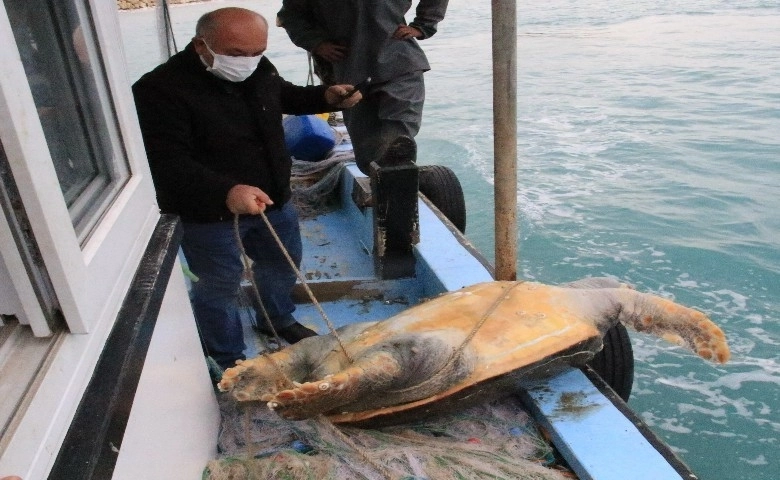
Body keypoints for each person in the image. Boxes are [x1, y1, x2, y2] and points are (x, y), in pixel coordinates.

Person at [132, 7, 361, 369]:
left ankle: (277, 319)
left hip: (273, 197)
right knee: (218, 284)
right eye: (237, 54)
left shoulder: (258, 66)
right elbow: (166, 161)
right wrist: (227, 191)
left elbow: (282, 94)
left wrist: (325, 98)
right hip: (206, 212)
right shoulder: (156, 90)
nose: (249, 61)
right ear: (200, 45)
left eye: (258, 52)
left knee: (280, 264)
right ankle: (228, 356)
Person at [277, 0, 449, 175]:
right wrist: (317, 43)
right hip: (346, 70)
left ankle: (394, 180)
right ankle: (382, 182)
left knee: (397, 136)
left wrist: (423, 25)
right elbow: (290, 16)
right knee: (366, 147)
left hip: (400, 63)